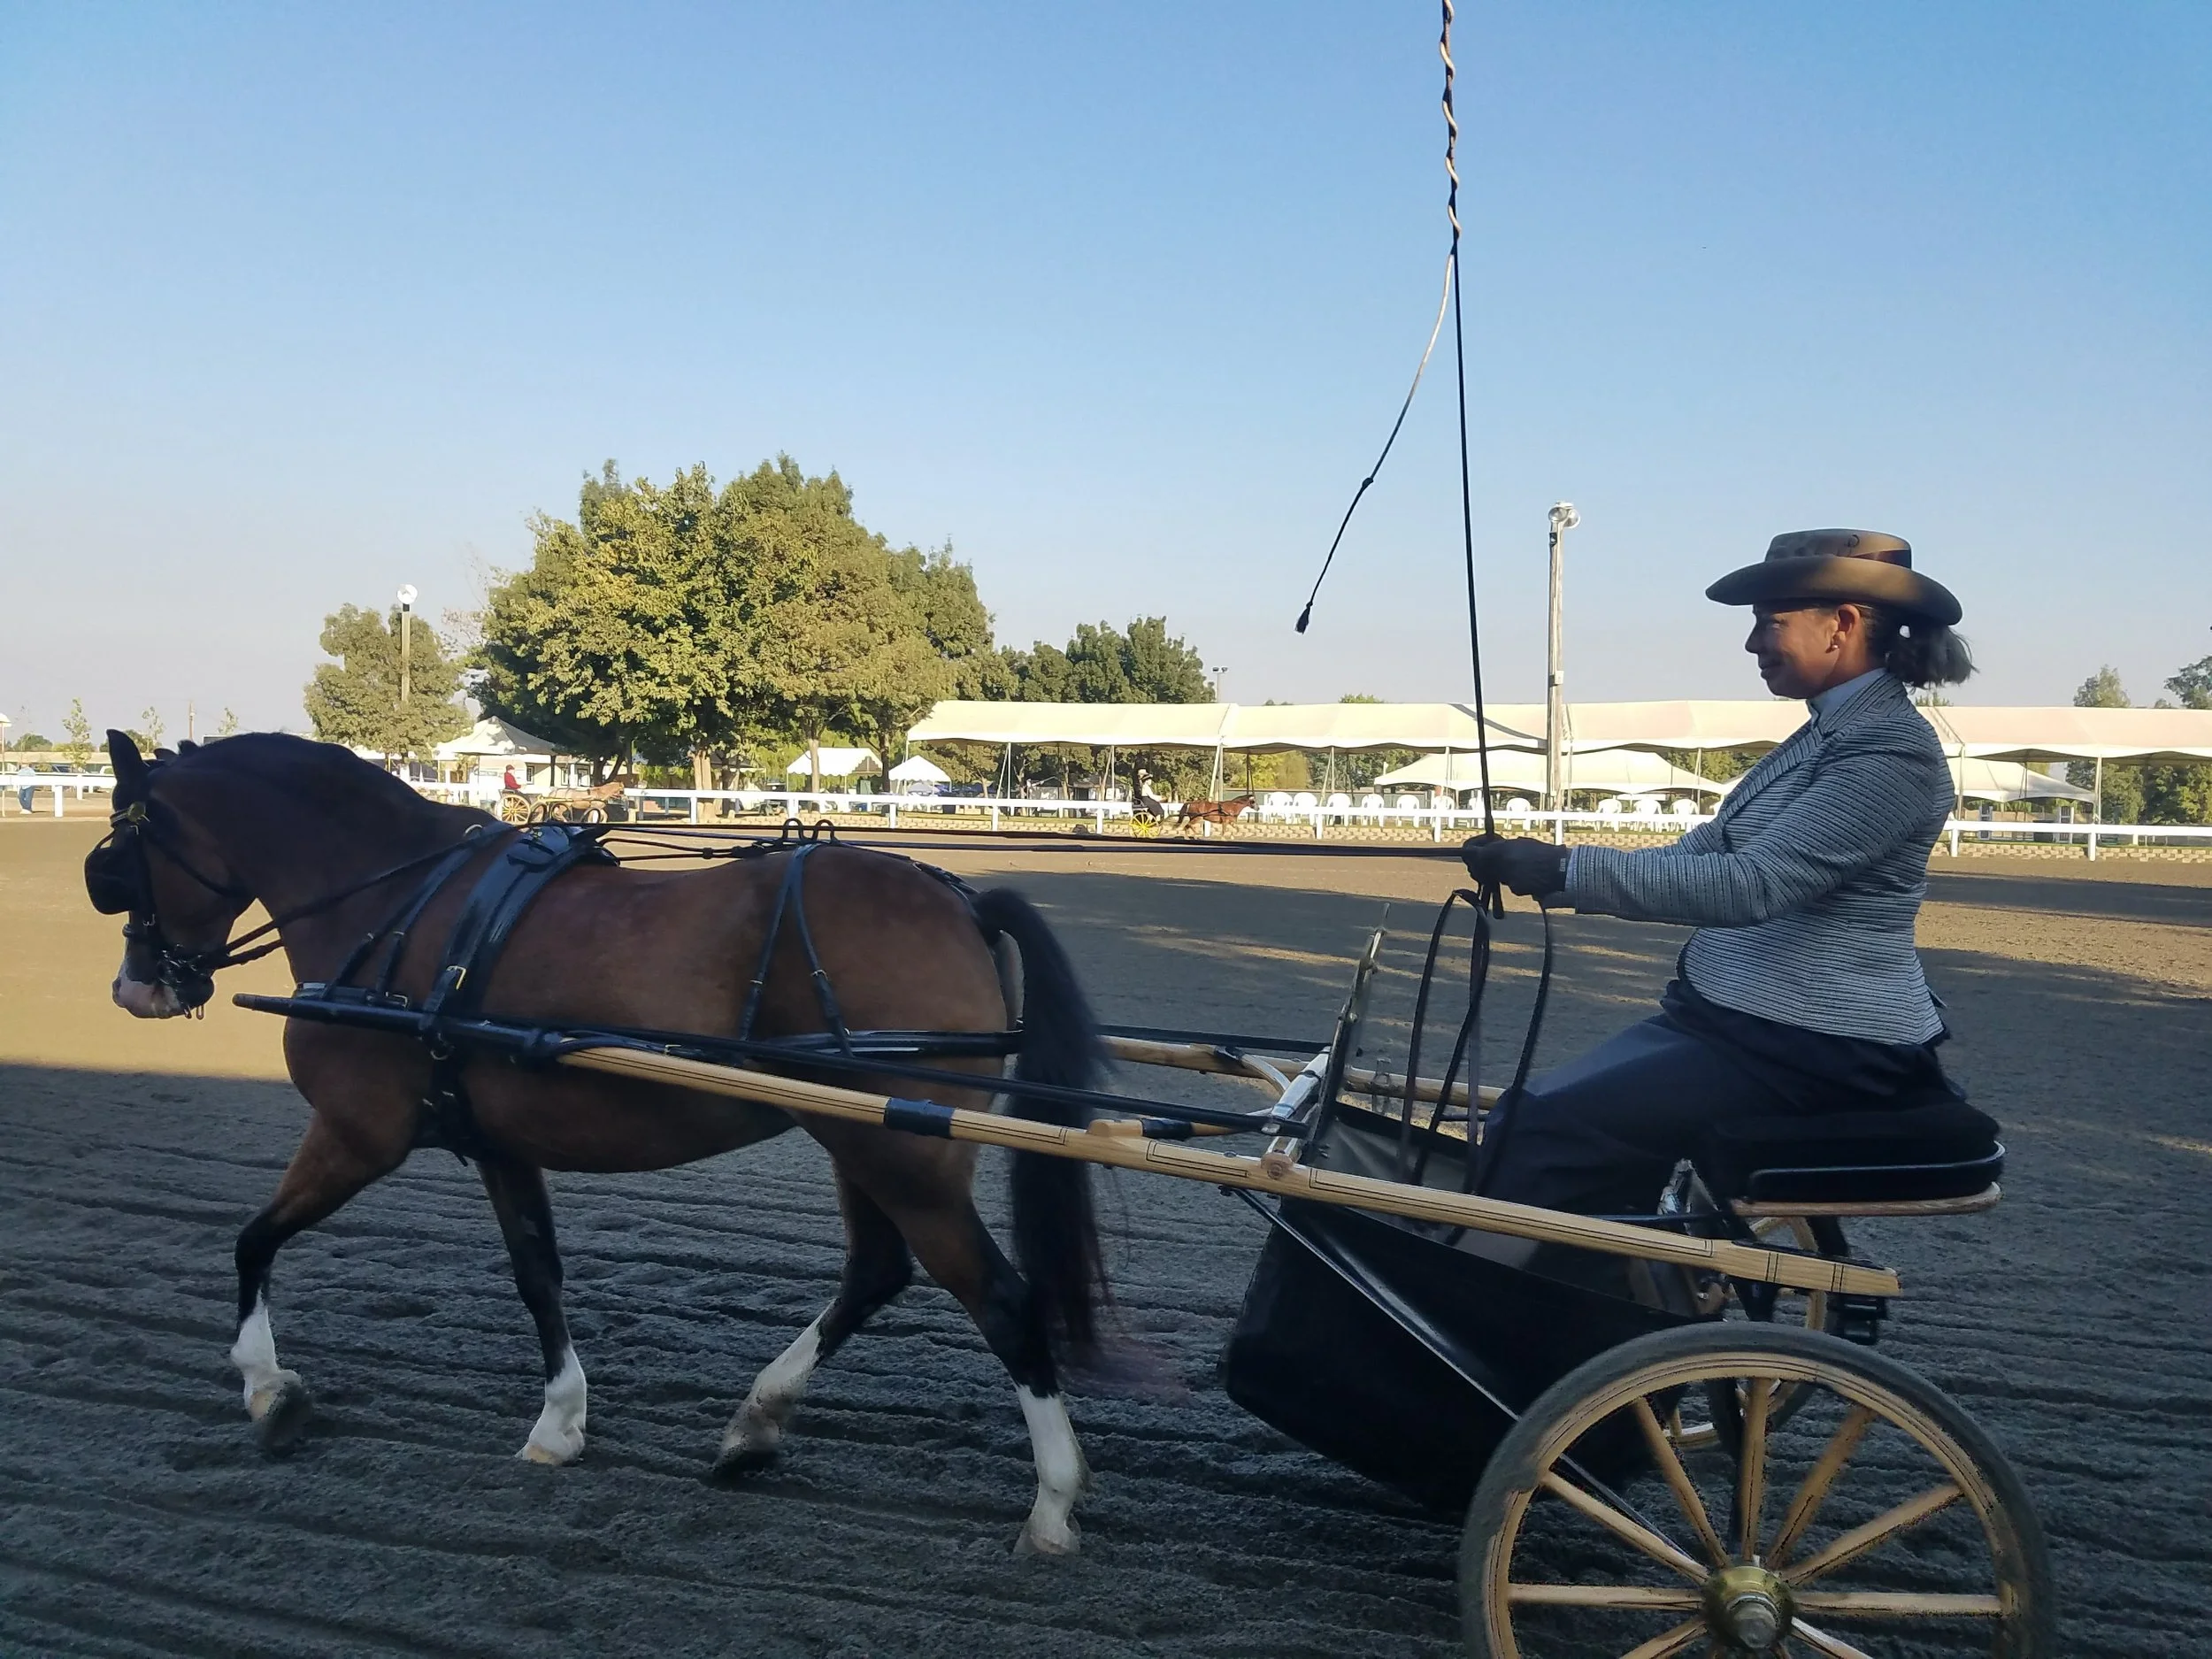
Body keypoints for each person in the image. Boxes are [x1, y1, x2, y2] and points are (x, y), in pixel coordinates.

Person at [1463, 529, 1984, 1215]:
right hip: (1739, 1022)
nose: (1752, 645)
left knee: (1539, 1129)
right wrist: (1552, 870)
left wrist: (1564, 867)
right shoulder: (1831, 732)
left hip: (1811, 1045)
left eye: (1771, 622)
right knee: (1529, 1117)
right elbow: (1705, 852)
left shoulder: (1889, 752)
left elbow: (1753, 885)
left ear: (1844, 626)